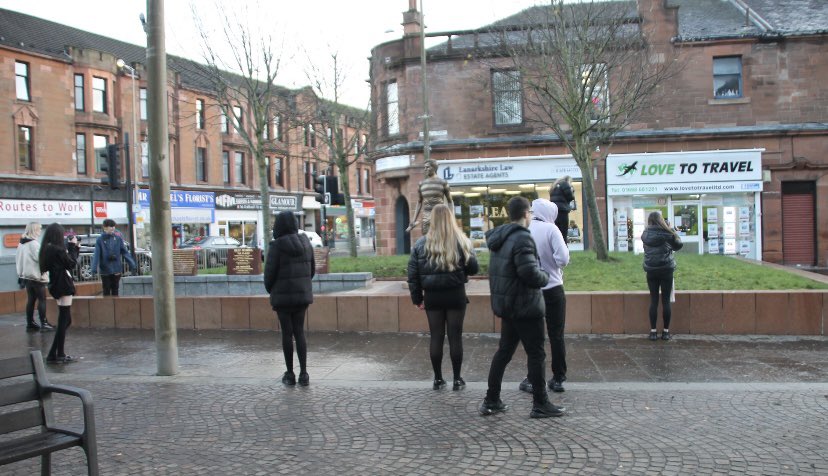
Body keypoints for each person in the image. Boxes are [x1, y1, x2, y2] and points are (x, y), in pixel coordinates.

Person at [479, 196, 565, 419]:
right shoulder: (522, 238)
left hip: (509, 305)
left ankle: (491, 399)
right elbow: (529, 272)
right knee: (536, 353)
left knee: (504, 352)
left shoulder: (501, 237)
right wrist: (545, 276)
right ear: (526, 214)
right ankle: (540, 403)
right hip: (525, 305)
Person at [407, 204, 479, 391]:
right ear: (450, 219)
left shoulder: (421, 244)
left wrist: (417, 299)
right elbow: (474, 268)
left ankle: (438, 379)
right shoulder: (461, 241)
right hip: (455, 294)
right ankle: (457, 379)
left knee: (436, 337)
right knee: (456, 337)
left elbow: (412, 275)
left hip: (432, 297)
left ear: (432, 221)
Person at [517, 199, 570, 394]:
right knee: (556, 334)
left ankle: (532, 377)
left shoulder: (526, 229)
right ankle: (557, 378)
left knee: (535, 337)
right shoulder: (551, 229)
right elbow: (563, 259)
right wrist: (554, 262)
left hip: (532, 290)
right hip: (553, 288)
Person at [264, 211, 316, 386]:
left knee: (287, 334)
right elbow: (312, 271)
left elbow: (269, 276)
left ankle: (290, 374)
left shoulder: (276, 246)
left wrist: (272, 289)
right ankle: (304, 374)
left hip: (283, 298)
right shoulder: (306, 243)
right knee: (299, 332)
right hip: (302, 296)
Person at [40, 223, 80, 364]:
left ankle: (53, 354)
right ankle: (60, 354)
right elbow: (72, 264)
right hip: (63, 284)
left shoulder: (46, 249)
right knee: (64, 319)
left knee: (65, 319)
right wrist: (73, 247)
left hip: (55, 284)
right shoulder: (58, 250)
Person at [641, 211, 683, 341]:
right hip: (666, 270)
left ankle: (653, 332)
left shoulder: (645, 234)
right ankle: (665, 332)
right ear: (661, 220)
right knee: (665, 301)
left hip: (651, 270)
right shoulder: (667, 233)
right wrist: (673, 232)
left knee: (653, 301)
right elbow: (678, 246)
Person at [15, 222, 54, 332]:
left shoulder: (21, 243)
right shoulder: (33, 244)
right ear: (34, 230)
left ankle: (30, 322)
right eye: (39, 229)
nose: (40, 231)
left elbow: (18, 259)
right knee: (42, 300)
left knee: (31, 300)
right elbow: (40, 259)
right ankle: (44, 323)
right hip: (36, 276)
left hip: (26, 277)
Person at [406, 159, 453, 235]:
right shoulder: (422, 184)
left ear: (434, 168)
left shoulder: (443, 182)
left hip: (439, 216)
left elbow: (450, 202)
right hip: (426, 218)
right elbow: (419, 202)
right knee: (427, 241)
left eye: (427, 167)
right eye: (424, 167)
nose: (425, 169)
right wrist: (413, 220)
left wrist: (451, 219)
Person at [91, 219, 136, 296]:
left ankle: (116, 307)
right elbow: (96, 255)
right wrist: (94, 269)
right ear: (105, 227)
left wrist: (132, 264)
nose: (113, 228)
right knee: (106, 290)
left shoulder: (118, 239)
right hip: (105, 270)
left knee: (115, 289)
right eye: (110, 226)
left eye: (113, 226)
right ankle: (107, 307)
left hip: (116, 269)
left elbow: (124, 252)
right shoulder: (100, 240)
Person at [549, 176, 575, 242]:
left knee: (556, 232)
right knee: (563, 233)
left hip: (554, 212)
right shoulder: (565, 184)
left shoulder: (554, 186)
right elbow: (570, 197)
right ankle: (564, 249)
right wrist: (572, 190)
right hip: (562, 211)